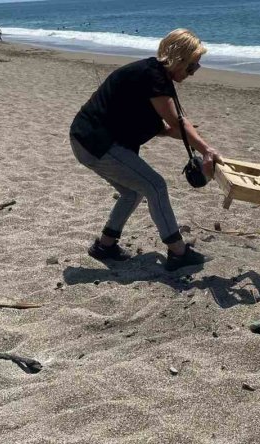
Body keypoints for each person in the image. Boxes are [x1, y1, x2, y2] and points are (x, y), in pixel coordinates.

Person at [69, 28, 222, 272]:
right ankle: (178, 252)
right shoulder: (153, 76)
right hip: (96, 142)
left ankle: (105, 245)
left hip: (86, 139)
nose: (193, 73)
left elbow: (159, 124)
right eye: (192, 66)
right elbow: (177, 122)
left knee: (133, 192)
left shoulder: (152, 75)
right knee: (155, 186)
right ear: (178, 59)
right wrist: (206, 150)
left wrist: (177, 133)